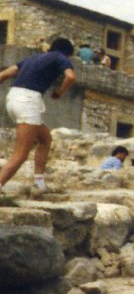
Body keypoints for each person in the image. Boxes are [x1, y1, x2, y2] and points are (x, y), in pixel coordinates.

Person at [0, 38, 78, 193]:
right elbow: (70, 77)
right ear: (68, 53)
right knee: (21, 153)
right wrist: (59, 92)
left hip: (12, 98)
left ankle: (39, 183)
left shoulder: (33, 58)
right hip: (29, 101)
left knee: (45, 139)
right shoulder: (60, 57)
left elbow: (4, 74)